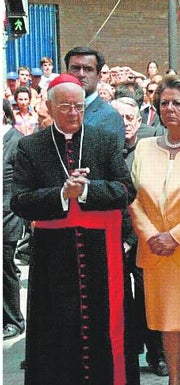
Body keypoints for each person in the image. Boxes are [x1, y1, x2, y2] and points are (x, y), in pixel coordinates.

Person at [10, 74, 138, 385]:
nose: (73, 113)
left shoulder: (104, 140)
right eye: (65, 106)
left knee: (105, 328)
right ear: (49, 108)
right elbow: (20, 201)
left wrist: (85, 191)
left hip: (101, 255)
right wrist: (60, 195)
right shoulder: (30, 146)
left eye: (79, 107)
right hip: (53, 258)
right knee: (57, 331)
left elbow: (125, 191)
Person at [129, 75, 180, 385]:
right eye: (164, 103)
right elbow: (132, 197)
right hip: (155, 252)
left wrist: (177, 236)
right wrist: (151, 235)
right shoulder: (145, 147)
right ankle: (174, 379)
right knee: (166, 321)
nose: (169, 108)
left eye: (177, 103)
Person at [110, 96, 168, 377]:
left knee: (149, 298)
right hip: (114, 237)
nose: (125, 124)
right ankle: (129, 352)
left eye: (130, 118)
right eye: (119, 119)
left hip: (144, 237)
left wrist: (132, 239)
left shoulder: (150, 147)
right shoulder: (109, 150)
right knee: (122, 300)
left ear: (138, 120)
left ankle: (158, 356)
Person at [64, 46, 125, 145]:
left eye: (88, 69)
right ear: (67, 73)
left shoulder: (109, 117)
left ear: (99, 75)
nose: (81, 74)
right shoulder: (59, 112)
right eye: (75, 68)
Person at [3, 101, 25, 341]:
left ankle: (13, 320)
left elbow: (21, 180)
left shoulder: (15, 140)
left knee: (6, 267)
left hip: (7, 215)